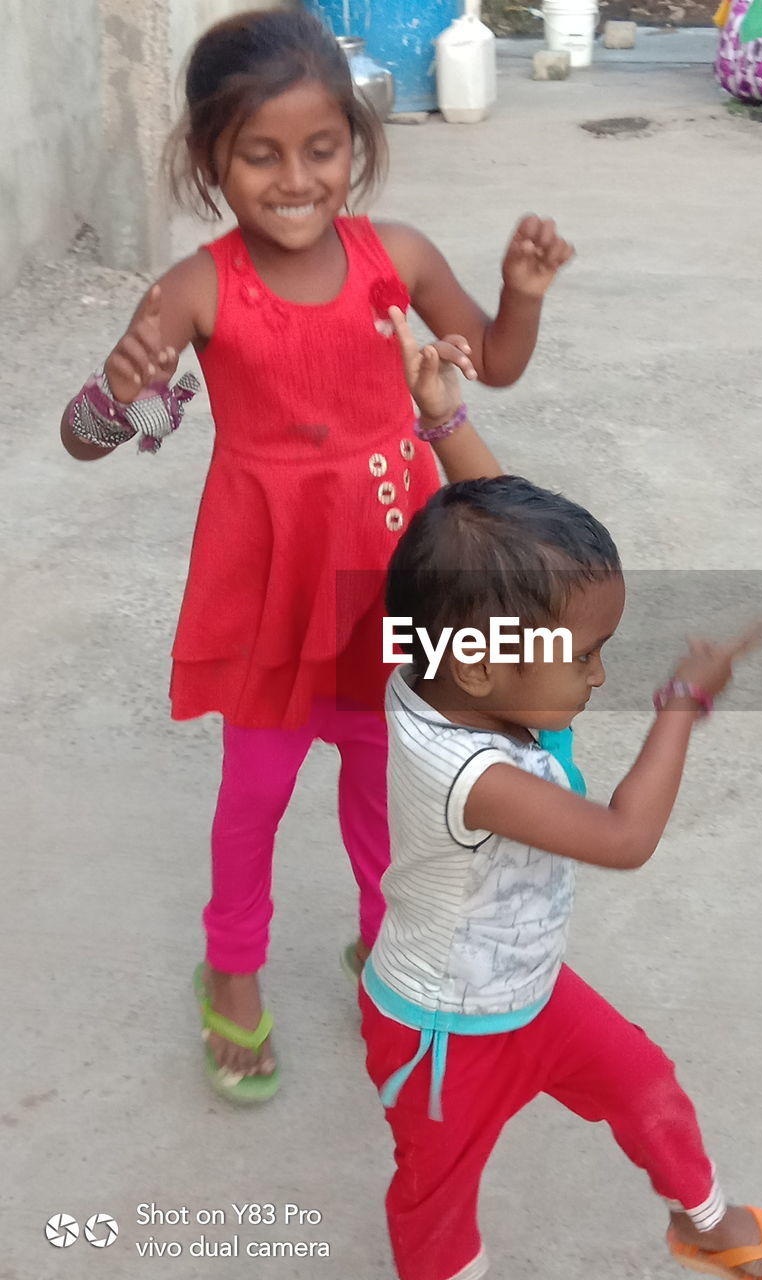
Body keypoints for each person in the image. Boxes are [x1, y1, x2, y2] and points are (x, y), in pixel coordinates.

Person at [58, 7, 573, 1103]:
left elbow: (501, 363)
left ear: (357, 141)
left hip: (393, 576)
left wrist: (521, 296)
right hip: (269, 589)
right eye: (260, 153)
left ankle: (386, 944)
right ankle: (232, 969)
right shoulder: (198, 288)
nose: (295, 179)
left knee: (391, 785)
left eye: (321, 147)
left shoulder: (403, 259)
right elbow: (87, 440)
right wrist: (114, 387)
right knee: (254, 790)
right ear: (211, 159)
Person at [359, 475, 762, 1280]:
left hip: (531, 993)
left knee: (647, 1085)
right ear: (477, 666)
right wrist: (680, 705)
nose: (599, 677)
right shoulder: (465, 771)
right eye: (583, 656)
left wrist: (446, 426)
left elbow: (493, 531)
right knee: (436, 1201)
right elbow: (624, 836)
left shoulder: (456, 672)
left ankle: (707, 1223)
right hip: (441, 1031)